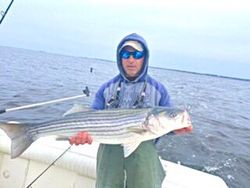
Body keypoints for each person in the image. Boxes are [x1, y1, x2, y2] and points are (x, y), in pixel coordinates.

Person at [69, 33, 192, 188]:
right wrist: (79, 135)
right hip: (109, 158)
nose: (131, 60)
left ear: (145, 57)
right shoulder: (106, 89)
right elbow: (90, 118)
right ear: (120, 58)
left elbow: (163, 125)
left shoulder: (159, 90)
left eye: (137, 54)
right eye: (126, 54)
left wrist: (176, 129)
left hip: (143, 160)